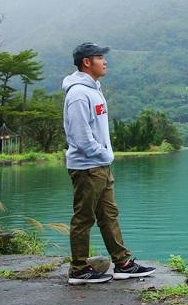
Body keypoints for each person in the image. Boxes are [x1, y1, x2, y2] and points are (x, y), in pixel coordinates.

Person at [62, 42, 155, 285]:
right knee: (84, 218)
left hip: (100, 165)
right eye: (100, 57)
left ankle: (123, 263)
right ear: (86, 62)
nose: (105, 62)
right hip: (87, 167)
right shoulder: (78, 94)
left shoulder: (93, 90)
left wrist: (105, 158)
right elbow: (81, 137)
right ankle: (79, 270)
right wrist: (104, 155)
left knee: (109, 215)